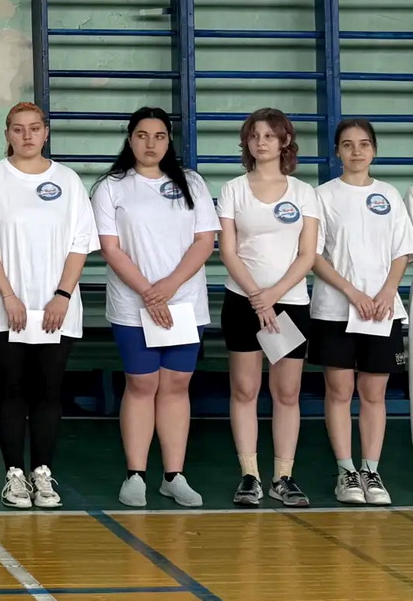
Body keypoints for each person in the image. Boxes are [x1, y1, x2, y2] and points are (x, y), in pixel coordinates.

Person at [0, 102, 98, 510]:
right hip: (5, 307)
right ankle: (14, 476)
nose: (27, 135)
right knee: (12, 388)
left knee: (48, 390)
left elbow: (80, 243)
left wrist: (62, 295)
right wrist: (8, 294)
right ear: (7, 133)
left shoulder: (68, 180)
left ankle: (42, 472)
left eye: (34, 128)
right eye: (18, 128)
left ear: (45, 132)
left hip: (56, 307)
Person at [92, 107, 218, 508]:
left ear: (169, 140)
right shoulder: (111, 187)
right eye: (142, 135)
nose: (151, 143)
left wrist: (170, 286)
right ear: (130, 139)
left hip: (184, 304)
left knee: (177, 385)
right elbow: (110, 247)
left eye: (160, 136)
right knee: (142, 384)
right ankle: (136, 475)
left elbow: (205, 241)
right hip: (133, 306)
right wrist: (149, 292)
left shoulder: (192, 183)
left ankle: (173, 476)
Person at [217, 107, 319, 508]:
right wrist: (256, 296)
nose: (262, 142)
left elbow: (307, 255)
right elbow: (228, 251)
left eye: (270, 135)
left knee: (287, 392)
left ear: (284, 142)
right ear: (247, 141)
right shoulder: (233, 189)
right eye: (255, 135)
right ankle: (250, 475)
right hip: (242, 301)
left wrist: (273, 295)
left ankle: (283, 477)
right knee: (244, 389)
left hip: (289, 303)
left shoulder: (304, 192)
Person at [310, 119, 411, 506]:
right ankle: (346, 472)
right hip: (335, 311)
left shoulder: (389, 195)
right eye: (348, 144)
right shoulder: (322, 196)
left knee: (374, 393)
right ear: (337, 151)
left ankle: (371, 470)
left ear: (374, 150)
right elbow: (313, 256)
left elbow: (402, 251)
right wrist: (352, 292)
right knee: (339, 391)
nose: (356, 151)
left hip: (382, 312)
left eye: (364, 144)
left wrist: (386, 292)